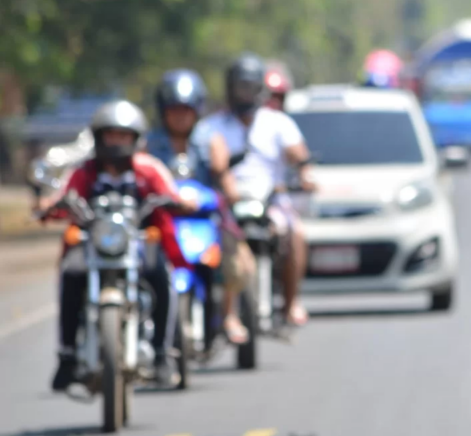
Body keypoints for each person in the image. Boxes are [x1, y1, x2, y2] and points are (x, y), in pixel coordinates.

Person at [37, 100, 197, 390]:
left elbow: (172, 194)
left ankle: (162, 353)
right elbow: (61, 197)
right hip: (94, 245)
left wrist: (181, 202)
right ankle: (68, 356)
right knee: (70, 274)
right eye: (111, 135)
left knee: (162, 276)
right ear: (99, 138)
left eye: (124, 136)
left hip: (137, 243)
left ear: (135, 140)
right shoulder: (83, 171)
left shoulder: (148, 169)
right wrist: (49, 205)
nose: (117, 142)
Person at [199, 53, 315, 327]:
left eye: (249, 87)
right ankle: (222, 314)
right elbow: (206, 164)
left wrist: (303, 171)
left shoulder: (277, 123)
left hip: (270, 198)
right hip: (226, 203)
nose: (244, 94)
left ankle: (291, 302)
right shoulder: (212, 126)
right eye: (240, 87)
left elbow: (298, 154)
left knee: (295, 233)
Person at [146, 69, 256, 345]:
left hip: (205, 219)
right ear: (163, 111)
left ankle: (229, 313)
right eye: (174, 110)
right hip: (165, 219)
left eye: (186, 110)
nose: (180, 116)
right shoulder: (149, 142)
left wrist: (230, 189)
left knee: (236, 264)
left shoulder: (210, 138)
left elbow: (222, 173)